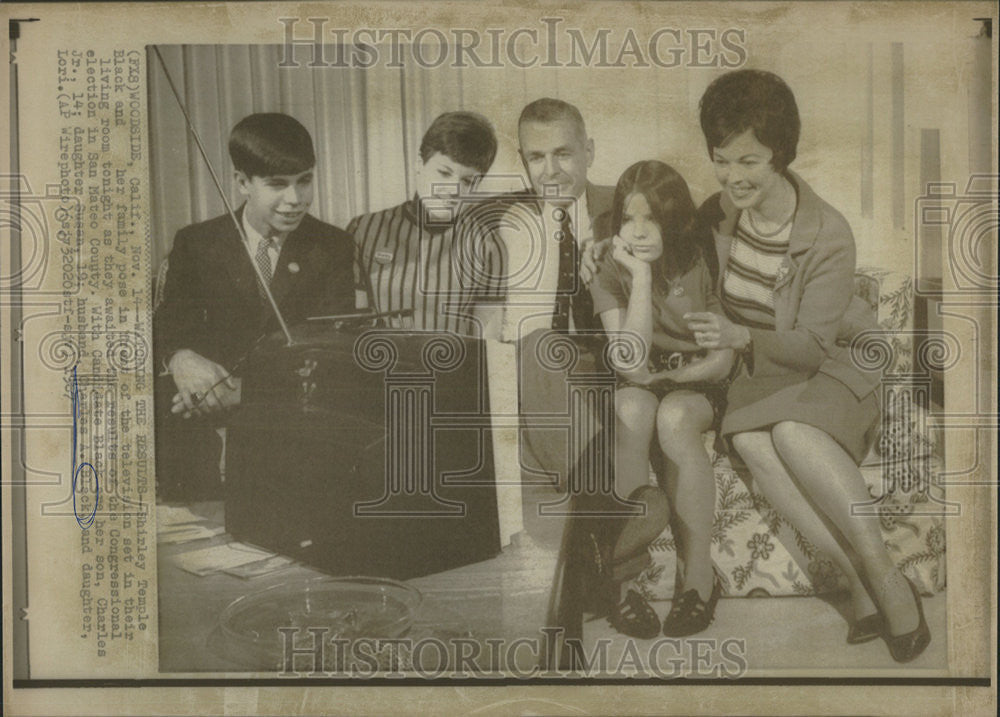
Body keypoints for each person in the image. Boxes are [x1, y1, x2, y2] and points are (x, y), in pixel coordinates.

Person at [686, 69, 929, 661]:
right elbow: (672, 259)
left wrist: (741, 333)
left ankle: (885, 575)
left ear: (781, 154)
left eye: (749, 161)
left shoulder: (827, 233)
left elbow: (814, 346)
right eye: (722, 159)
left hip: (830, 363)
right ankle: (854, 580)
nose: (732, 177)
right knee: (753, 445)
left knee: (791, 433)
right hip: (761, 373)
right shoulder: (714, 216)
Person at [154, 112, 355, 501]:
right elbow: (168, 323)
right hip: (198, 429)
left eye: (305, 181)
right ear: (242, 182)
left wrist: (246, 393)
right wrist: (181, 358)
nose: (296, 199)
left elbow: (331, 352)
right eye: (277, 184)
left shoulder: (333, 247)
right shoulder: (196, 243)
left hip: (289, 433)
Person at [589, 160, 733, 638]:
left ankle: (698, 579)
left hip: (699, 379)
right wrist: (642, 277)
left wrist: (676, 377)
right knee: (630, 408)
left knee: (673, 415)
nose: (639, 230)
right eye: (628, 219)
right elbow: (628, 362)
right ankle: (623, 584)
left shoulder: (703, 254)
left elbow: (724, 359)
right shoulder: (611, 263)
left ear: (674, 219)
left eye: (651, 218)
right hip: (643, 376)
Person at [349, 111, 502, 337]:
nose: (453, 190)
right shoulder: (365, 230)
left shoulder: (487, 245)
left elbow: (486, 345)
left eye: (467, 181)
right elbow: (353, 330)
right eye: (443, 173)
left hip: (455, 370)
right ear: (419, 163)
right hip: (380, 368)